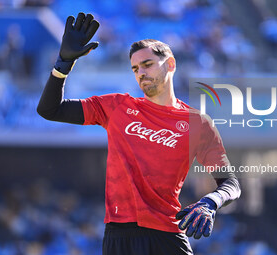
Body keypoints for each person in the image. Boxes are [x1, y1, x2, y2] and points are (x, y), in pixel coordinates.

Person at [37, 13, 241, 255]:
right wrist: (63, 64)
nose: (141, 73)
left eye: (147, 65)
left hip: (167, 234)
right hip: (118, 236)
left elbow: (231, 183)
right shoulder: (116, 106)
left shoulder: (198, 123)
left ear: (171, 65)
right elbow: (50, 109)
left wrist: (210, 203)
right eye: (135, 68)